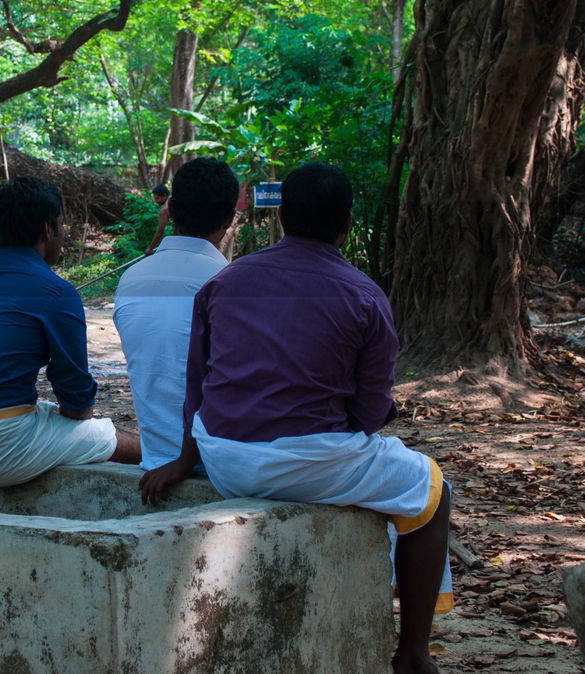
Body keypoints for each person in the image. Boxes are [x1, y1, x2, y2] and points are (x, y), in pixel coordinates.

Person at [139, 163, 452, 674]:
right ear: (348, 224)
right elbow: (371, 413)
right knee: (431, 488)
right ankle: (414, 653)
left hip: (222, 457)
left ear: (281, 215)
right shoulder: (366, 295)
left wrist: (183, 459)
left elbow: (197, 385)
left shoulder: (224, 282)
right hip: (310, 463)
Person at [0, 176, 141, 487]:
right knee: (104, 433)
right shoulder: (57, 293)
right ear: (48, 229)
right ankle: (173, 459)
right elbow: (77, 403)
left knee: (46, 413)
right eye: (61, 226)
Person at [114, 158, 238, 472]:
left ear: (169, 208)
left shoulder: (131, 280)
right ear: (229, 219)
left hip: (157, 460)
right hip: (218, 466)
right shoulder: (231, 282)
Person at [143, 184, 171, 254]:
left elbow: (160, 232)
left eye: (157, 198)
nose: (155, 201)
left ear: (164, 196)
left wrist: (150, 248)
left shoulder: (164, 210)